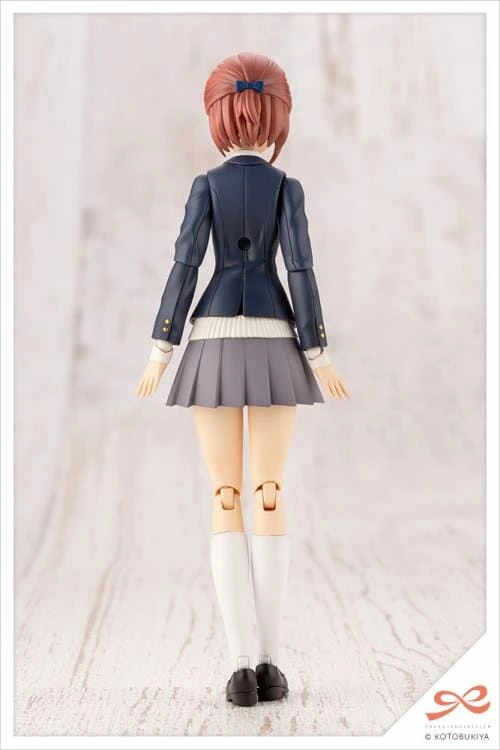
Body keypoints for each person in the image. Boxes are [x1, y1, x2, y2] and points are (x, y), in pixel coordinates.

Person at [136, 52, 350, 707]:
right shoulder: (288, 188)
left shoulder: (206, 185)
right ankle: (266, 662)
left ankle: (242, 665)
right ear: (278, 118)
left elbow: (185, 265)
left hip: (213, 339)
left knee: (227, 494)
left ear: (217, 117)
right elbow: (300, 271)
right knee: (267, 492)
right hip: (275, 336)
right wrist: (317, 351)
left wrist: (162, 347)